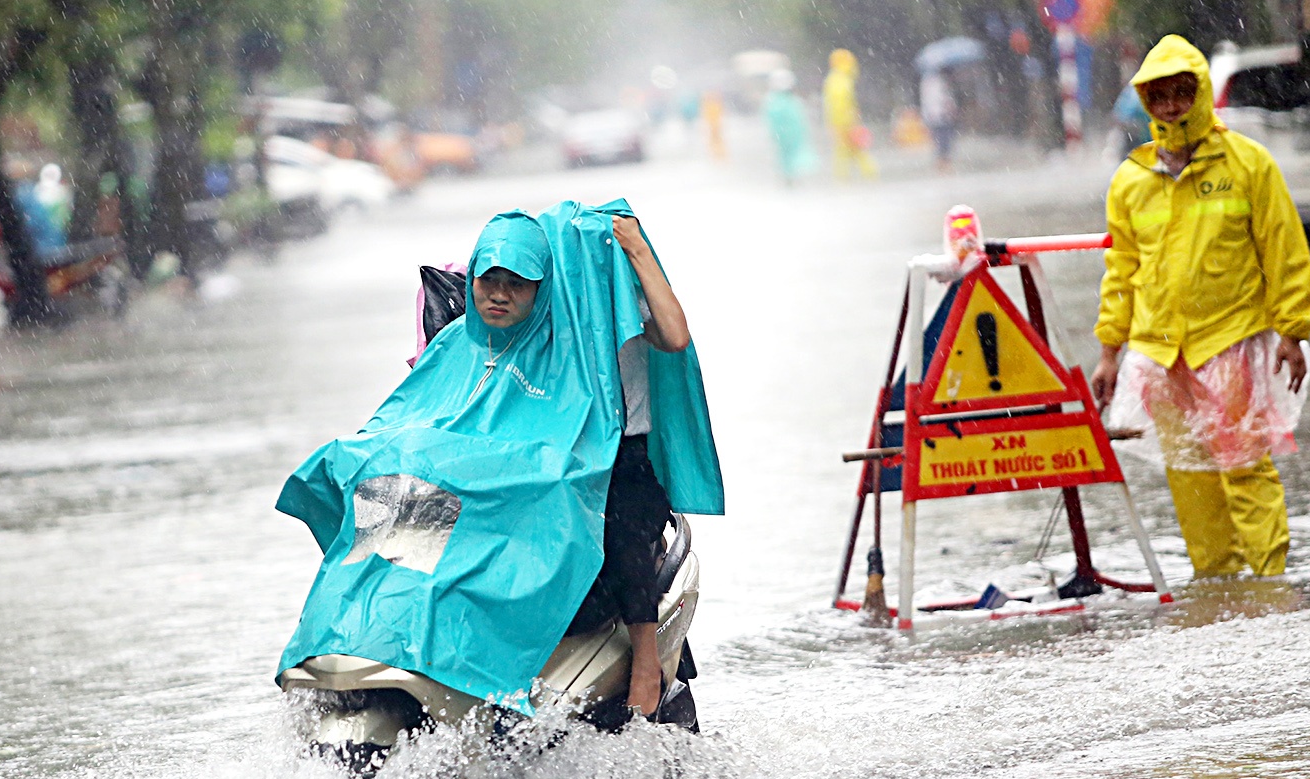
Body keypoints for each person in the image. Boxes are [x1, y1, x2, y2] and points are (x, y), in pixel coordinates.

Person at [276, 202, 724, 719]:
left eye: (518, 283)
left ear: (544, 287)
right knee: (399, 512)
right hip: (499, 479)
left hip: (599, 467)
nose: (501, 294)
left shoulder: (570, 340)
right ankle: (360, 633)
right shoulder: (460, 344)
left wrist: (637, 250)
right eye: (490, 281)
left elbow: (668, 342)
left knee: (613, 510)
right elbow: (412, 418)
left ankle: (644, 661)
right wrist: (363, 453)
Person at [1091, 34, 1310, 579]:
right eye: (1160, 95)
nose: (1171, 105)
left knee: (1244, 465)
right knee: (1188, 476)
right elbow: (1121, 272)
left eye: (1181, 92)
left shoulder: (1247, 165)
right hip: (1160, 353)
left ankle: (1269, 583)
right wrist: (1108, 353)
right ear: (1146, 102)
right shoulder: (1131, 180)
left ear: (1200, 92)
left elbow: (1283, 248)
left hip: (1231, 341)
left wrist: (1292, 332)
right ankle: (1215, 584)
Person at [822, 49, 878, 179]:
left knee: (844, 154)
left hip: (839, 124)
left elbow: (830, 106)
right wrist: (851, 121)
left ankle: (844, 181)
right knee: (857, 152)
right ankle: (870, 177)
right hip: (846, 124)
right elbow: (843, 104)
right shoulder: (843, 80)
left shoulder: (833, 80)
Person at [762, 70, 818, 185]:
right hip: (786, 136)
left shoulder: (783, 100)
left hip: (790, 136)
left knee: (790, 159)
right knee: (788, 159)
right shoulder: (779, 101)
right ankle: (789, 179)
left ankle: (790, 179)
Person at [919, 68, 957, 171]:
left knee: (941, 140)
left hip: (936, 116)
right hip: (940, 116)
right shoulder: (937, 83)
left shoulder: (927, 83)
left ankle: (942, 164)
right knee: (943, 140)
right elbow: (939, 100)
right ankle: (943, 165)